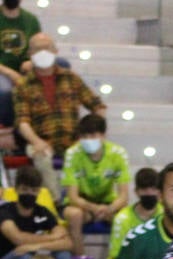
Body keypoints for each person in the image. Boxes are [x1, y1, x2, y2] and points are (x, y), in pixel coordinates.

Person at [12, 32, 105, 197]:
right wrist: (37, 141)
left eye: (47, 48)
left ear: (55, 51)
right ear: (29, 55)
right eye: (37, 49)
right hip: (41, 140)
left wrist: (93, 133)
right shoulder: (22, 85)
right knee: (42, 157)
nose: (43, 52)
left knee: (96, 151)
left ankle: (90, 199)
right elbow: (22, 122)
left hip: (73, 139)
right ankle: (55, 205)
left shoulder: (71, 78)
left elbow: (97, 106)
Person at [60, 113, 131, 256]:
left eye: (92, 136)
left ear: (103, 135)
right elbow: (73, 197)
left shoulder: (118, 153)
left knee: (125, 218)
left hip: (108, 204)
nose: (87, 140)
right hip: (81, 205)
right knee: (74, 215)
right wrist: (94, 208)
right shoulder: (72, 153)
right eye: (84, 137)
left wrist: (109, 208)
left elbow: (123, 196)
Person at [0, 163, 71, 259]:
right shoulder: (5, 211)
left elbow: (67, 243)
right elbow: (18, 239)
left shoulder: (43, 212)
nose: (29, 194)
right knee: (24, 257)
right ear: (16, 189)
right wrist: (52, 237)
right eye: (25, 189)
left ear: (38, 191)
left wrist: (34, 247)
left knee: (63, 255)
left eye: (33, 190)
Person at [105, 167, 160, 259]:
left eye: (154, 189)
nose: (149, 193)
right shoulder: (122, 219)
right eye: (144, 190)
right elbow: (117, 257)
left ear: (160, 191)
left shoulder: (165, 216)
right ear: (136, 192)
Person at [0, 0, 40, 127]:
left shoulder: (31, 20)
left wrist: (31, 61)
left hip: (26, 70)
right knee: (6, 91)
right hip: (2, 71)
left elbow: (39, 48)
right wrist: (10, 73)